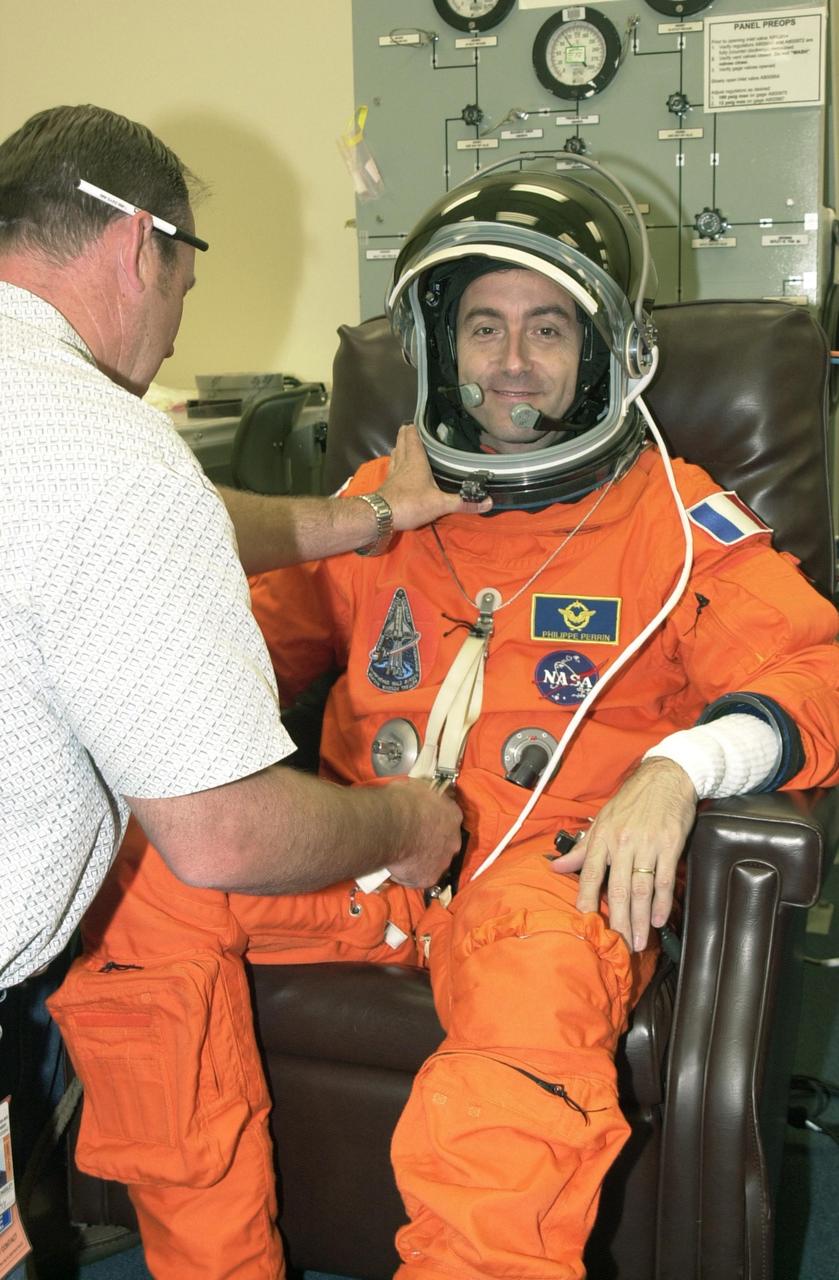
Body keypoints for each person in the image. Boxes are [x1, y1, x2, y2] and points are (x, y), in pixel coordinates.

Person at [51, 166, 839, 1280]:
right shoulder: (381, 507)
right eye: (482, 326)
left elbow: (812, 664)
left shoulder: (671, 517)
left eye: (545, 328)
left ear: (606, 348)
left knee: (526, 1015)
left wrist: (677, 767)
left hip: (539, 884)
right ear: (439, 345)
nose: (510, 361)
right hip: (362, 866)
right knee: (149, 890)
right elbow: (238, 642)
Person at [0, 101, 488, 996]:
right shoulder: (110, 450)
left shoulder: (62, 437)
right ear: (142, 243)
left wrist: (373, 516)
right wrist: (403, 826)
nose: (177, 330)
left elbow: (129, 530)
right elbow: (224, 831)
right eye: (185, 289)